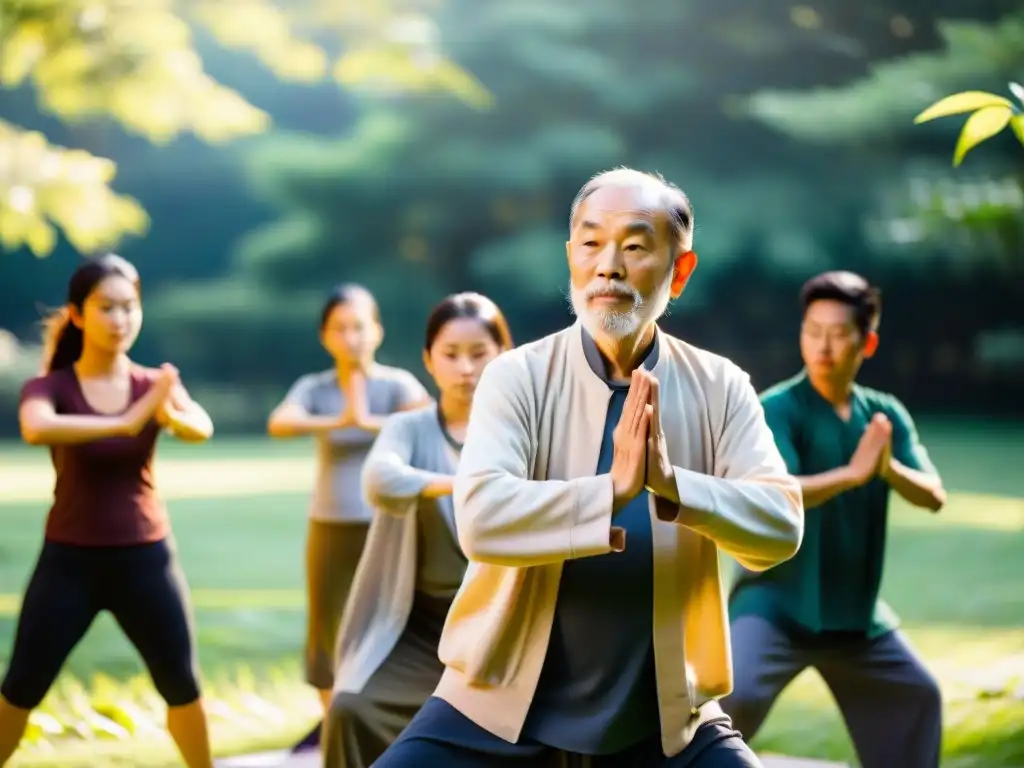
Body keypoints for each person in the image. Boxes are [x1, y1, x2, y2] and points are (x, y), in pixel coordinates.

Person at [374, 167, 805, 768]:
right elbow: (480, 520)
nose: (610, 266)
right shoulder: (516, 376)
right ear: (571, 258)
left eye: (634, 246)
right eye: (591, 243)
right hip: (495, 707)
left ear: (679, 271)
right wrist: (612, 490)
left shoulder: (720, 386)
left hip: (663, 718)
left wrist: (671, 484)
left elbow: (782, 524)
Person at [720, 271, 946, 768]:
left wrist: (888, 469)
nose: (822, 345)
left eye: (838, 333)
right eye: (812, 330)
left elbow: (933, 495)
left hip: (854, 616)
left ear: (868, 342)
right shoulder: (777, 408)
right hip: (775, 604)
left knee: (918, 696)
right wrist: (852, 474)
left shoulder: (883, 414)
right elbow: (774, 492)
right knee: (729, 697)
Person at [0, 255, 216, 768]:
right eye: (106, 308)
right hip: (68, 563)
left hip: (146, 561)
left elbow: (199, 426)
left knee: (183, 686)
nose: (120, 320)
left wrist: (166, 413)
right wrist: (127, 421)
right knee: (21, 686)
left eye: (129, 307)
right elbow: (37, 428)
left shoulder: (151, 384)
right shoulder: (50, 386)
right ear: (77, 314)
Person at [321, 292, 513, 768]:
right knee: (350, 707)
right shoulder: (409, 428)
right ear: (428, 360)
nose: (465, 369)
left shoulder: (523, 429)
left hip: (504, 628)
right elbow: (380, 480)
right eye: (451, 355)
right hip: (418, 628)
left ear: (504, 357)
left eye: (479, 354)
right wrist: (460, 485)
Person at [266, 283, 431, 720]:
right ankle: (335, 727)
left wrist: (367, 421)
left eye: (359, 327)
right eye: (340, 328)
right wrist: (339, 419)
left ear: (376, 331)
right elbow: (281, 422)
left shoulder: (396, 384)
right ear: (325, 336)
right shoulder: (315, 387)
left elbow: (427, 417)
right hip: (330, 524)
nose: (351, 337)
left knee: (398, 623)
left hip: (388, 525)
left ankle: (394, 724)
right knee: (328, 627)